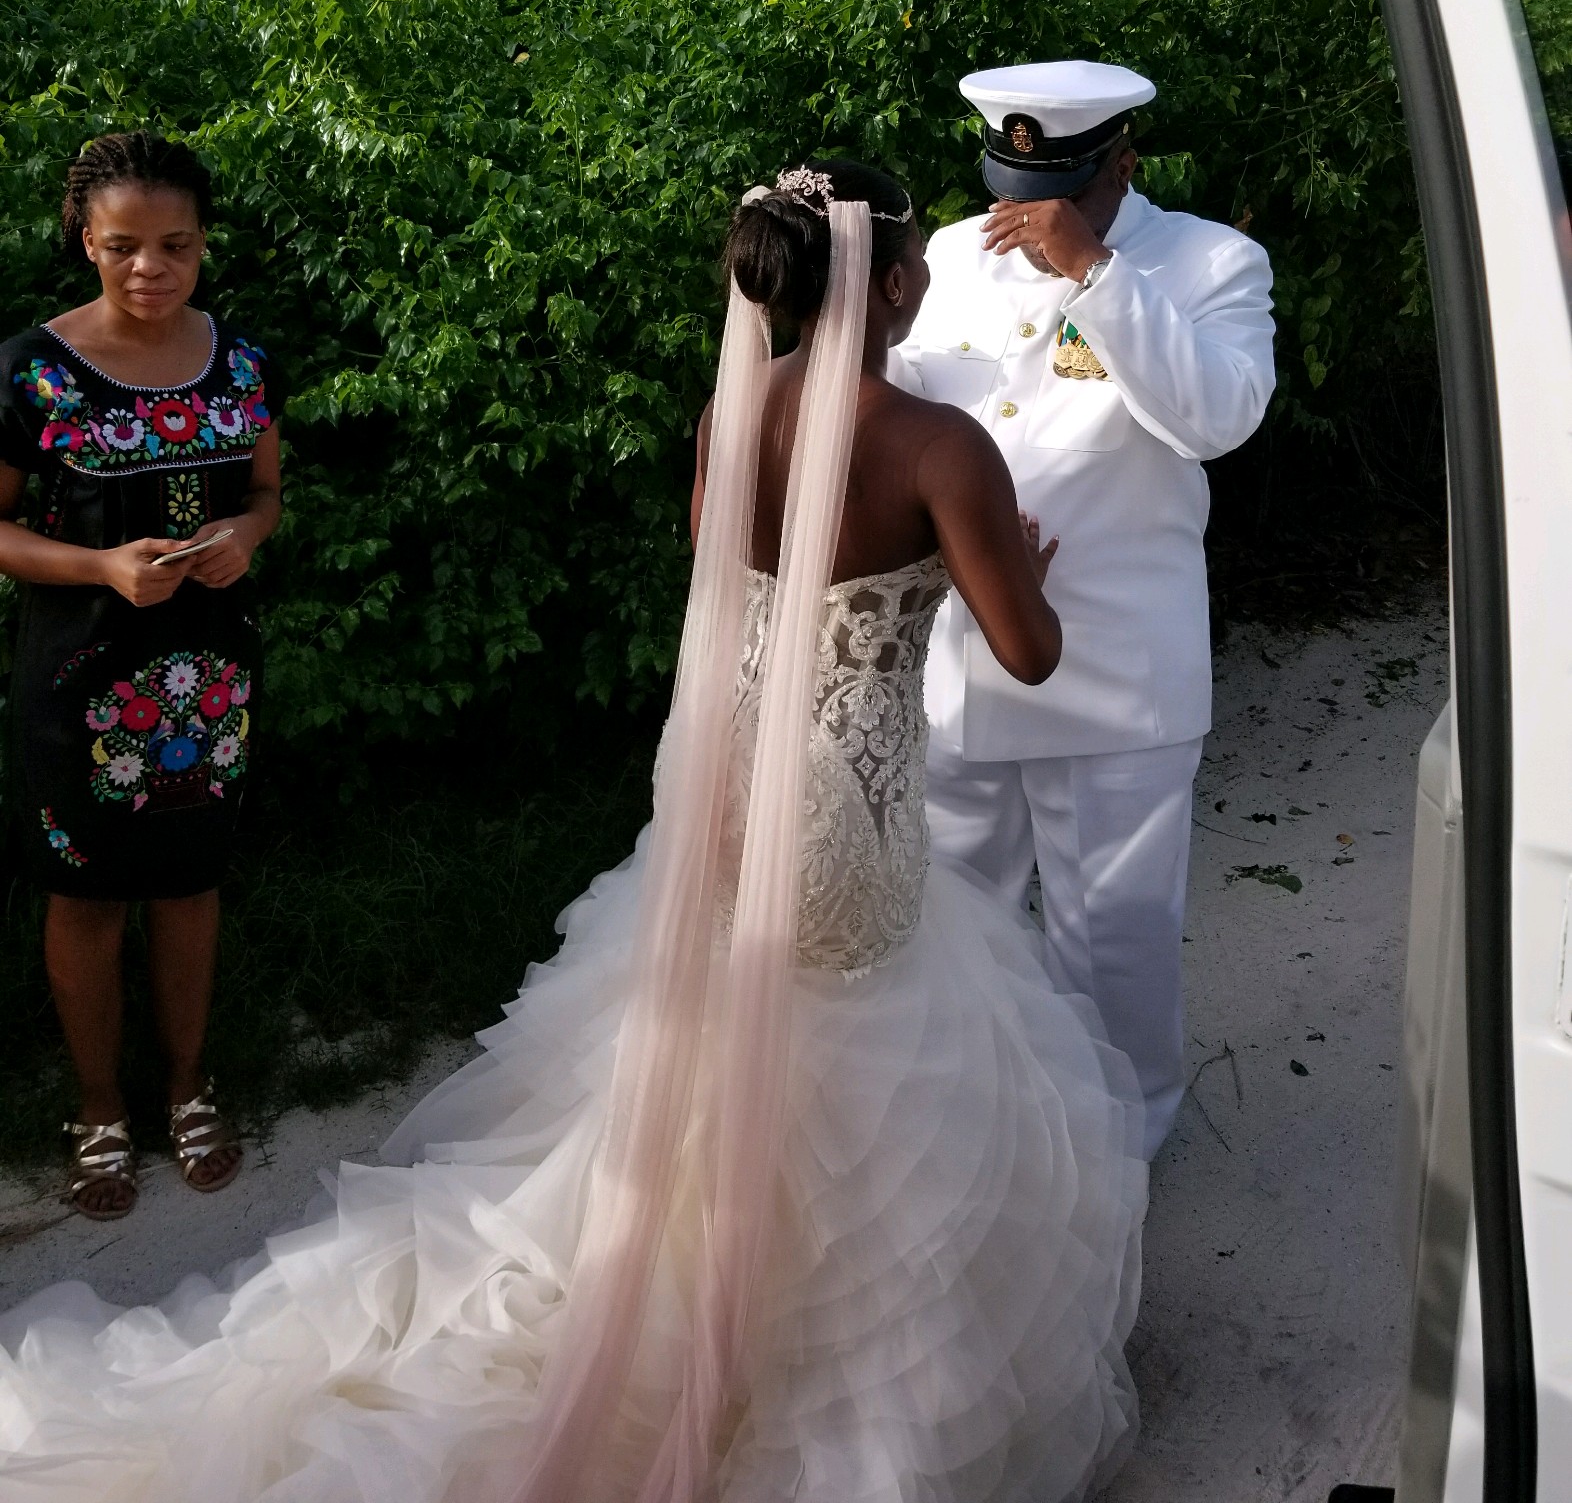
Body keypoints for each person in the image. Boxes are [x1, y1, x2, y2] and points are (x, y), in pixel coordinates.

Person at [0, 158, 1143, 1503]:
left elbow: (736, 577)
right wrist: (1009, 559)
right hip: (851, 808)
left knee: (732, 1040)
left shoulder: (730, 414)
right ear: (895, 281)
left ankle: (685, 1287)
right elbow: (1027, 653)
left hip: (724, 782)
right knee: (864, 1059)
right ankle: (797, 1337)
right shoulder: (942, 447)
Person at [893, 62, 1276, 1158]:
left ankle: (1120, 1147)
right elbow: (895, 410)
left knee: (1113, 941)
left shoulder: (1209, 260)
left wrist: (1095, 271)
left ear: (1123, 164)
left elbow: (1218, 419)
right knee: (948, 923)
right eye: (1013, 184)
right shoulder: (954, 256)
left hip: (1117, 677)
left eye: (1055, 191)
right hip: (964, 658)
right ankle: (960, 1133)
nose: (1025, 217)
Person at [0, 132, 286, 1220]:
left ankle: (185, 1086)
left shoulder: (243, 361)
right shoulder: (31, 367)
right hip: (77, 683)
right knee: (84, 894)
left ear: (204, 242)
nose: (150, 268)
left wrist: (246, 537)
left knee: (188, 879)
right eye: (124, 245)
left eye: (174, 244)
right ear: (86, 241)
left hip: (206, 683)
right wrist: (100, 568)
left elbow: (265, 492)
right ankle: (97, 1104)